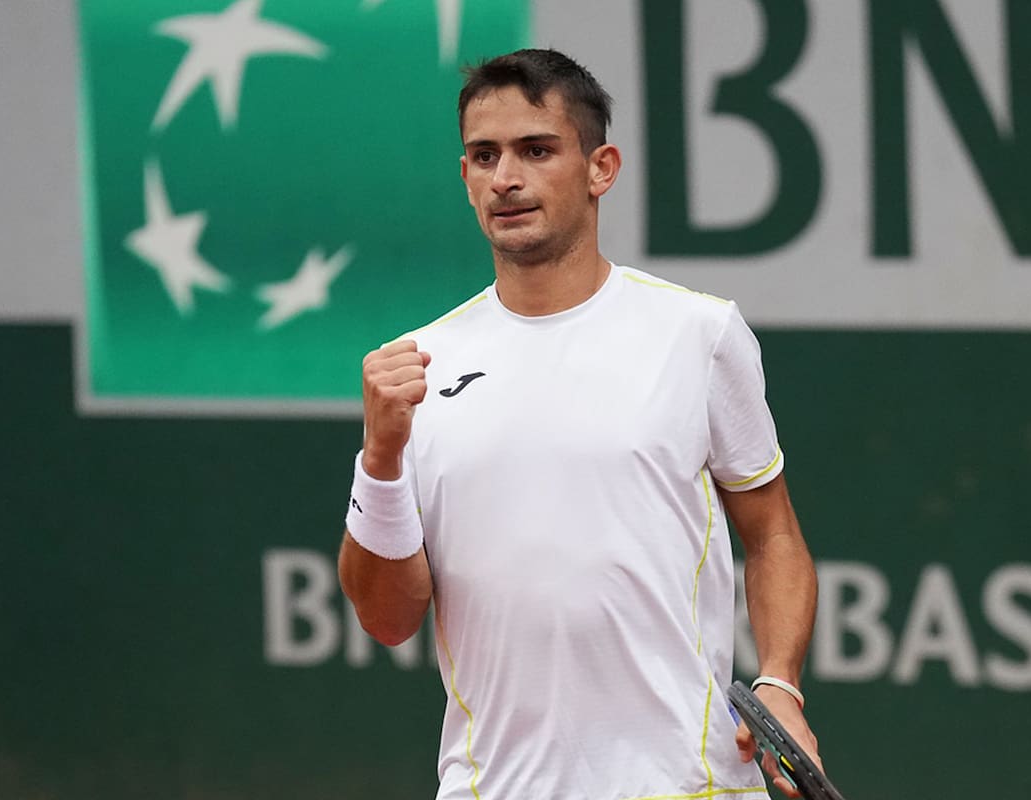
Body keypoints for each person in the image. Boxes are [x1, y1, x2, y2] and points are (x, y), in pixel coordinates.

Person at [339, 48, 822, 800]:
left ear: (601, 168)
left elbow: (774, 536)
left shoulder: (699, 334)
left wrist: (781, 685)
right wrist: (380, 459)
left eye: (537, 150)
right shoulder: (419, 367)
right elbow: (386, 618)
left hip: (686, 784)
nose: (506, 178)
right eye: (484, 155)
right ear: (464, 177)